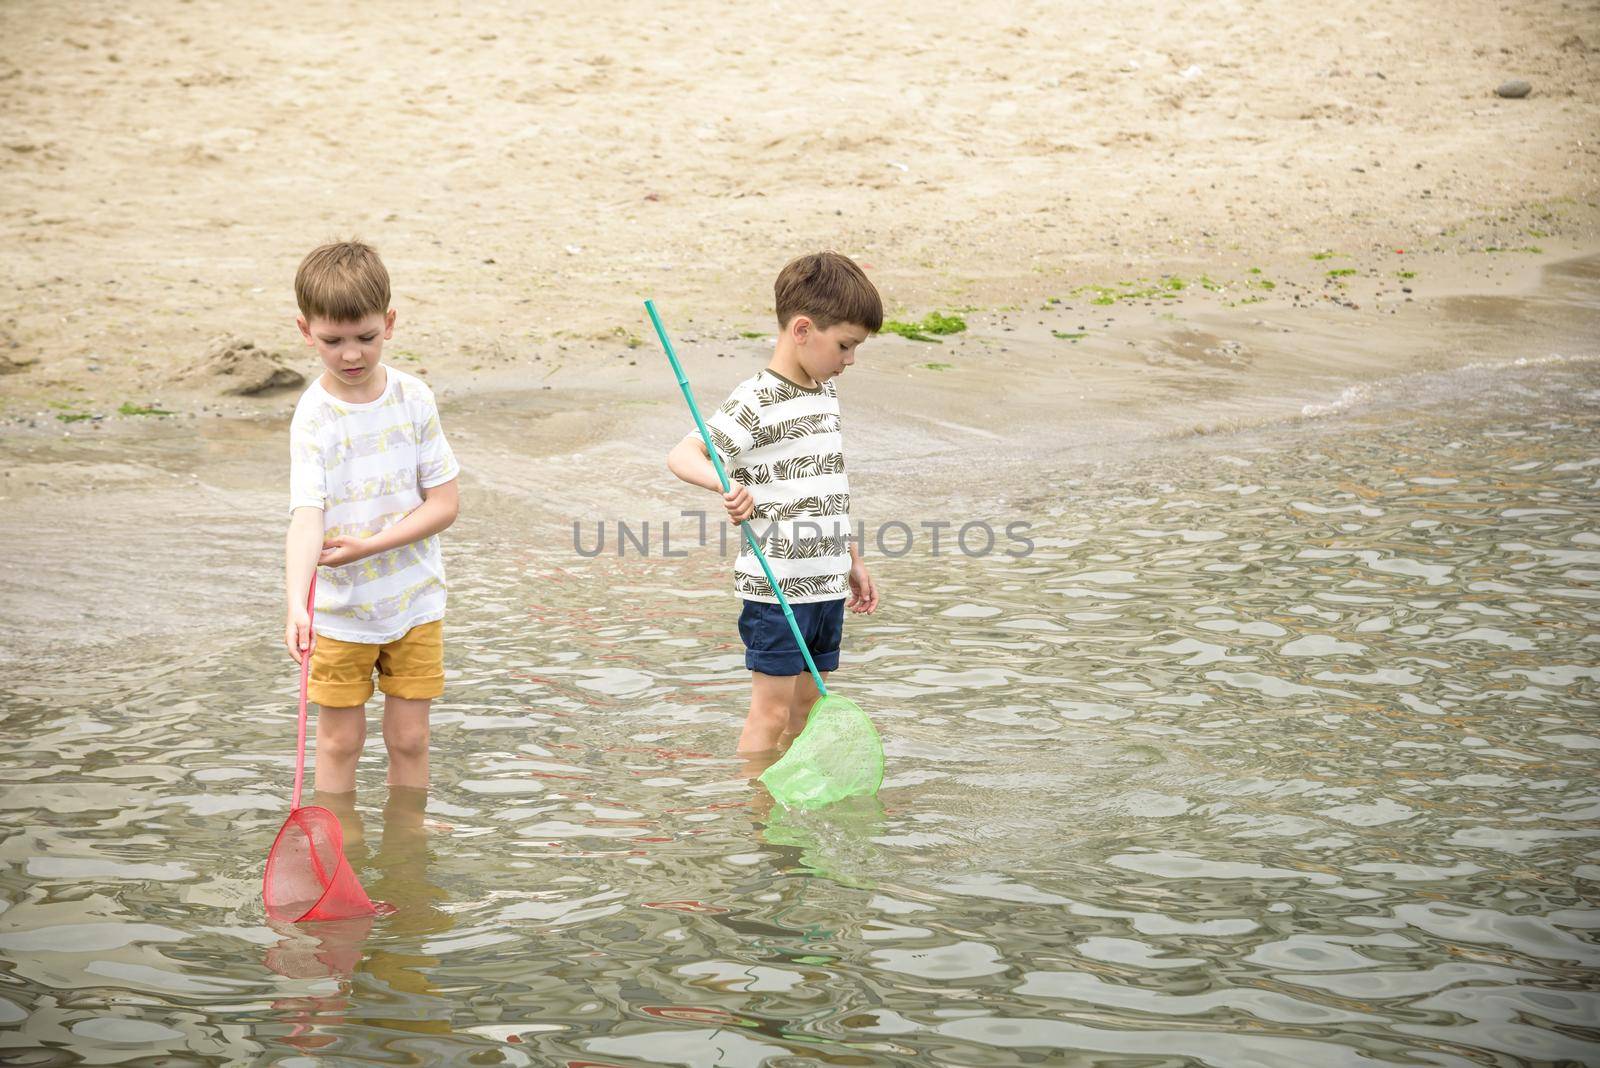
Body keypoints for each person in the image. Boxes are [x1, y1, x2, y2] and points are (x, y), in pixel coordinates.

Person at [667, 251, 881, 754]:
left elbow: (824, 489)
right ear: (803, 329)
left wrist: (849, 557)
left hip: (825, 579)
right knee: (772, 712)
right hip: (777, 588)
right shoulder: (757, 399)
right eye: (846, 345)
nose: (849, 360)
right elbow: (683, 453)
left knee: (809, 708)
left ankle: (790, 806)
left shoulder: (824, 393)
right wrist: (725, 486)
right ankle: (758, 816)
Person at [283, 240, 460, 792]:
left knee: (410, 739)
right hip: (339, 610)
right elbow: (306, 517)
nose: (352, 354)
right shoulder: (314, 417)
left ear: (389, 322)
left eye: (366, 337)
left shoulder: (414, 398)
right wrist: (295, 603)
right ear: (305, 331)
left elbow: (445, 503)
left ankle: (408, 848)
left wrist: (370, 546)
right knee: (339, 742)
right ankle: (341, 850)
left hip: (415, 599)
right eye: (332, 341)